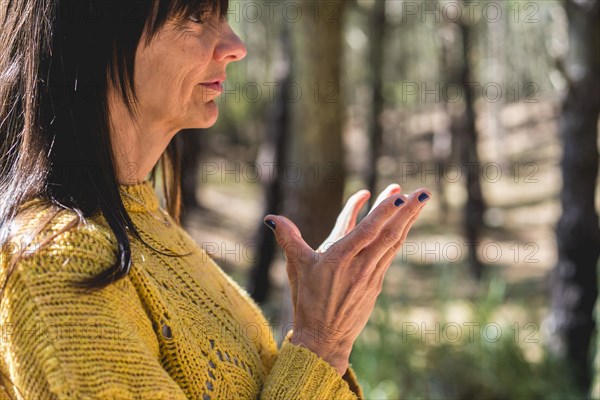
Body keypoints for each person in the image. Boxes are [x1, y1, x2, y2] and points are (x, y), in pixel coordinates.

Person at [0, 0, 431, 399]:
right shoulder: (56, 260)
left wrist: (325, 337)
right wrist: (320, 344)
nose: (236, 46)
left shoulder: (146, 219)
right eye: (194, 15)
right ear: (93, 33)